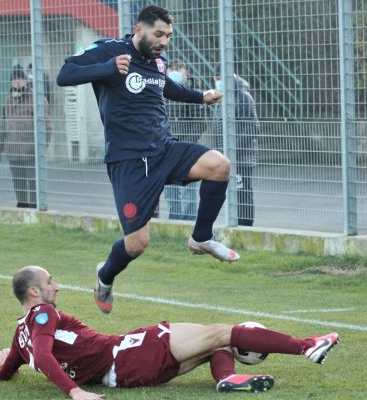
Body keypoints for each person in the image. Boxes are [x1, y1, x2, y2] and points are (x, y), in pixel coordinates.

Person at [56, 5, 240, 315]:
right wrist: (108, 69)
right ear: (139, 30)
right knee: (137, 244)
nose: (164, 41)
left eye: (168, 36)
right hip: (129, 161)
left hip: (164, 149)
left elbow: (165, 86)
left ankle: (201, 237)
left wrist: (200, 96)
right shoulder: (109, 49)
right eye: (159, 34)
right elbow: (65, 74)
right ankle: (105, 276)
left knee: (219, 165)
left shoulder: (158, 60)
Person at [0, 265, 340, 399]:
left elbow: (7, 371)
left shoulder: (19, 336)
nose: (57, 285)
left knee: (211, 342)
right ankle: (307, 346)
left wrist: (13, 362)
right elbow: (42, 355)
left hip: (125, 364)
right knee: (221, 332)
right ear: (34, 293)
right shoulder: (42, 313)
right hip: (128, 354)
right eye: (49, 281)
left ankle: (227, 379)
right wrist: (75, 393)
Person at [0, 64, 52, 209]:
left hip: (31, 149)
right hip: (13, 149)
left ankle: (34, 205)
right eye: (14, 79)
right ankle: (21, 206)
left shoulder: (36, 98)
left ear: (26, 81)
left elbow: (47, 124)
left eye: (20, 78)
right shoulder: (8, 100)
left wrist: (42, 145)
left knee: (33, 180)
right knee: (18, 180)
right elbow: (3, 124)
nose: (17, 81)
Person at [212, 71, 260, 226]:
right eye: (216, 78)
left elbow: (253, 126)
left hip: (241, 158)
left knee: (242, 194)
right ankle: (234, 225)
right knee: (231, 194)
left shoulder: (243, 97)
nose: (219, 80)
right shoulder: (220, 98)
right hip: (225, 157)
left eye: (222, 77)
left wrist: (233, 150)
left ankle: (245, 227)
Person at [164, 63, 207, 221]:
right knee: (169, 187)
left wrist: (188, 144)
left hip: (185, 147)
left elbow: (200, 122)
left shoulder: (192, 92)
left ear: (186, 71)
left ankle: (189, 219)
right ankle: (174, 219)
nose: (175, 72)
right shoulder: (163, 90)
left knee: (188, 184)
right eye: (172, 69)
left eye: (178, 68)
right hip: (167, 145)